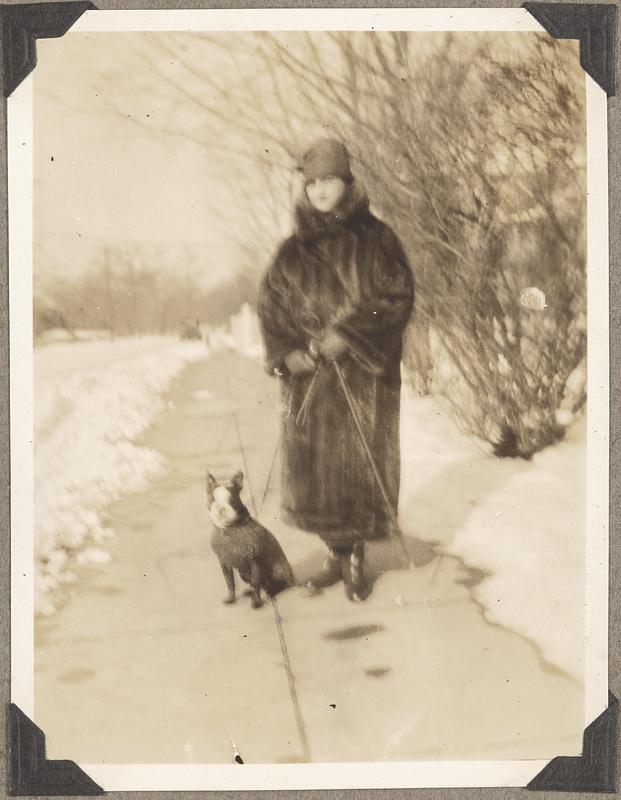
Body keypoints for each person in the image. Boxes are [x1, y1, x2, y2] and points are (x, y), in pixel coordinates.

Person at [257, 138, 414, 601]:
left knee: (360, 467)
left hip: (364, 378)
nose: (322, 190)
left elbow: (397, 294)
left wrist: (348, 335)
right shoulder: (291, 252)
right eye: (314, 182)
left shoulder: (377, 238)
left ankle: (358, 558)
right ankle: (332, 554)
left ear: (347, 184)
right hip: (311, 385)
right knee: (318, 477)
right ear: (306, 188)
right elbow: (272, 309)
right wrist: (288, 354)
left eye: (331, 180)